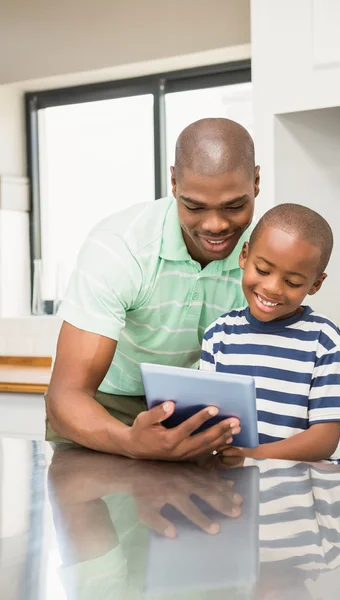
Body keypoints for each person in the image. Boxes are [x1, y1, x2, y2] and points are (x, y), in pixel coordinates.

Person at [46, 118, 260, 460]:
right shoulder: (121, 248)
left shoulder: (262, 257)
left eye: (234, 206)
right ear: (173, 183)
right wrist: (130, 441)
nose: (216, 225)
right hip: (104, 407)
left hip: (197, 406)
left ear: (256, 183)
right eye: (194, 206)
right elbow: (66, 396)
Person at [200, 203, 340, 462]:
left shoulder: (324, 341)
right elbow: (208, 419)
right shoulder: (218, 335)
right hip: (235, 491)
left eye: (292, 282)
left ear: (316, 284)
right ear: (244, 256)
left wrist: (253, 455)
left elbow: (324, 439)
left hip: (300, 494)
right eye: (262, 270)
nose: (273, 288)